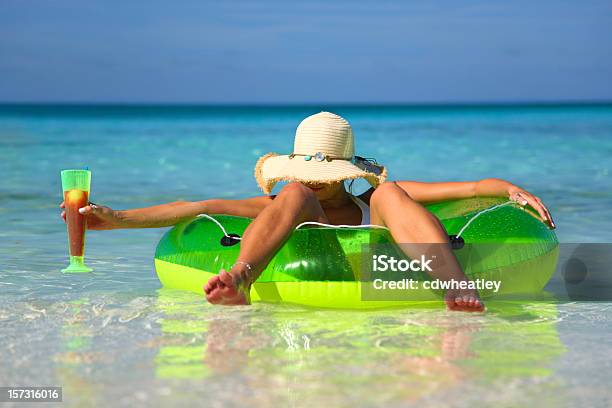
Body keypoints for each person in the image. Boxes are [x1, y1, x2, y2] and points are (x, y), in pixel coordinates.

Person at [60, 112, 555, 312]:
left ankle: (455, 285)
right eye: (305, 170)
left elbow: (470, 187)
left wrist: (510, 190)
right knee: (294, 203)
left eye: (326, 170)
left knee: (391, 194)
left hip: (391, 259)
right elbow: (200, 207)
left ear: (347, 171)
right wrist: (116, 219)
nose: (315, 178)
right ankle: (240, 279)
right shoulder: (290, 198)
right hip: (284, 255)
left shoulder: (372, 200)